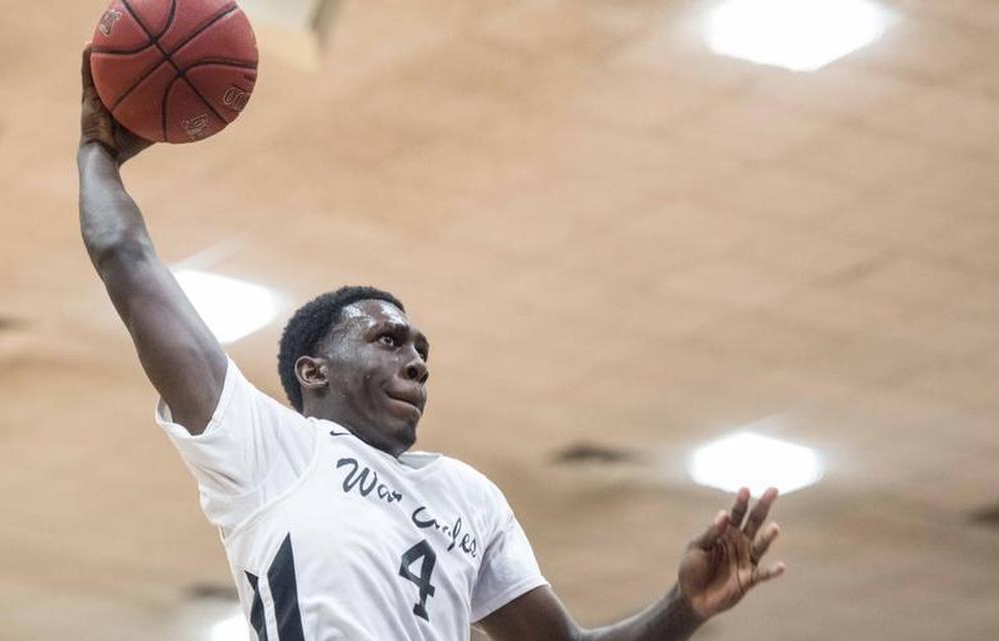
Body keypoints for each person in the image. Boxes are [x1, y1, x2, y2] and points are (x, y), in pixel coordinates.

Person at [77, 46, 786, 641]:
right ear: (314, 370)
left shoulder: (466, 496)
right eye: (388, 340)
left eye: (420, 349)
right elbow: (125, 257)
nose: (416, 360)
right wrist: (97, 153)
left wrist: (685, 606)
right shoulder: (268, 450)